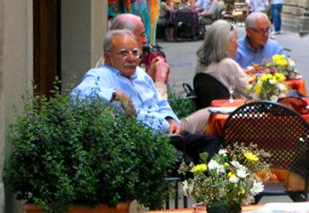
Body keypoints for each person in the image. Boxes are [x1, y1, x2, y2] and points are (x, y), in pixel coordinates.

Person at [73, 29, 219, 160]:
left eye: (135, 52)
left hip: (168, 133)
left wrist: (171, 120)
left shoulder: (141, 75)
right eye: (123, 53)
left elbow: (160, 102)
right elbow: (77, 96)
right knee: (187, 160)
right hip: (145, 141)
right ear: (108, 56)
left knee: (212, 144)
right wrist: (116, 95)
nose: (131, 58)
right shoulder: (100, 75)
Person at [109, 13, 170, 97]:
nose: (145, 40)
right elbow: (154, 107)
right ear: (127, 37)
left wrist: (148, 78)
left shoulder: (122, 65)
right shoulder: (119, 70)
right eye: (142, 35)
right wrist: (160, 81)